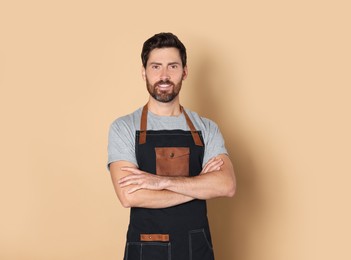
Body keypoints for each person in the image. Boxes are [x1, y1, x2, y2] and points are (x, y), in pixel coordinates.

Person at [108, 32, 236, 260]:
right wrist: (198, 187)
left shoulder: (206, 128)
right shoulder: (124, 127)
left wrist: (160, 182)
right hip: (146, 249)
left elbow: (226, 185)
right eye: (156, 67)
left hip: (196, 249)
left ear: (185, 72)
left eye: (173, 66)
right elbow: (129, 196)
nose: (164, 76)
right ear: (143, 72)